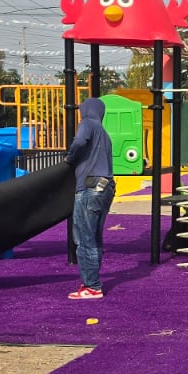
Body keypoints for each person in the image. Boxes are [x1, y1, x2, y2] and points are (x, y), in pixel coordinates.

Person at [66, 97, 114, 299]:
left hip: (90, 186)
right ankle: (92, 282)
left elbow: (79, 142)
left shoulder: (87, 123)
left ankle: (92, 286)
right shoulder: (105, 134)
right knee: (95, 237)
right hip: (106, 187)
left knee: (84, 238)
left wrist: (70, 158)